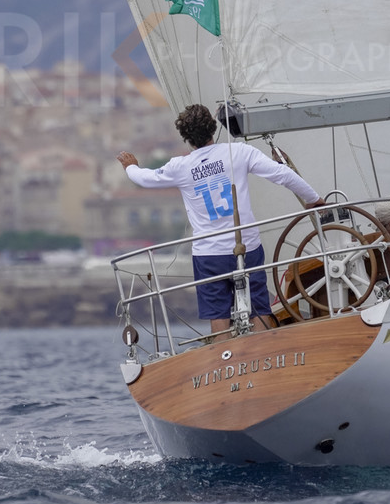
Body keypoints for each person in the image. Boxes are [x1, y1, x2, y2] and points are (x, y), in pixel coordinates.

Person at [116, 103, 323, 334]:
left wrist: (130, 167)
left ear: (186, 137)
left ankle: (223, 359)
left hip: (209, 255)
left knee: (219, 319)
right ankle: (265, 350)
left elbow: (145, 178)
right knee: (259, 310)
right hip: (246, 247)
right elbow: (283, 175)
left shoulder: (180, 166)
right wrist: (314, 200)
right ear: (213, 129)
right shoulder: (240, 152)